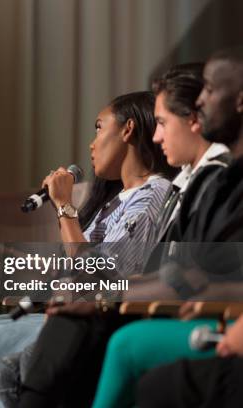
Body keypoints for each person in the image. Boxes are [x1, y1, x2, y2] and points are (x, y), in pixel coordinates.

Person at [0, 91, 175, 408]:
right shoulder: (111, 203)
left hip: (90, 327)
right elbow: (63, 271)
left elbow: (97, 278)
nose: (91, 144)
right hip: (63, 318)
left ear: (128, 130)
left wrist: (64, 207)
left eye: (99, 128)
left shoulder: (153, 193)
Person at [91, 62, 230, 408]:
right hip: (174, 303)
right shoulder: (183, 186)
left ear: (194, 120)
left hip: (202, 315)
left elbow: (190, 274)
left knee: (114, 340)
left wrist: (100, 291)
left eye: (163, 122)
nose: (156, 135)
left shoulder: (214, 180)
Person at [131, 46, 243, 408]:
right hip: (197, 306)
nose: (201, 103)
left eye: (209, 92)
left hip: (209, 314)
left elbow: (195, 272)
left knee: (122, 348)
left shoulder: (213, 178)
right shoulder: (209, 181)